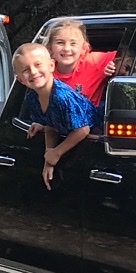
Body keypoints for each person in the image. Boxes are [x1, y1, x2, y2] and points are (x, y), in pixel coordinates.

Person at [13, 42, 95, 189]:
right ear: (20, 79)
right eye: (25, 70)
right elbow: (52, 125)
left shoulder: (61, 97)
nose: (33, 72)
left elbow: (83, 130)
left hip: (95, 132)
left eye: (38, 65)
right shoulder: (32, 97)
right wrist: (48, 156)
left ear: (51, 65)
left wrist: (56, 153)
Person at [48, 18, 117, 107]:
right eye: (60, 42)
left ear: (84, 48)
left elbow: (129, 56)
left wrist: (115, 66)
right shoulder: (44, 70)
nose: (66, 49)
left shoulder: (94, 62)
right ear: (50, 48)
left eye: (73, 43)